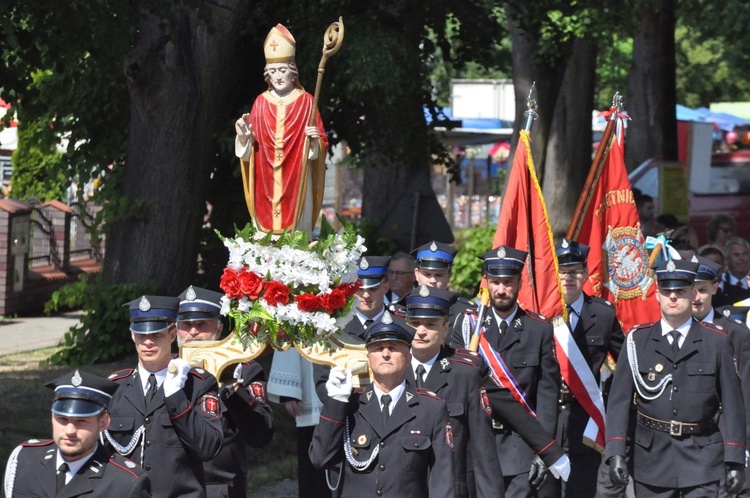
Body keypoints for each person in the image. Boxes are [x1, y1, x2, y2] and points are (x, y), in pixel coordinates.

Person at [605, 259, 746, 497]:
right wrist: (616, 451)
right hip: (651, 460)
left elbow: (733, 405)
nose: (672, 297)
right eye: (666, 291)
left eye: (680, 291)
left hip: (702, 459)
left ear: (692, 294)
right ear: (657, 295)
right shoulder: (638, 340)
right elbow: (618, 403)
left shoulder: (717, 341)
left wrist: (735, 460)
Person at [309, 310, 455, 496]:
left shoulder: (431, 408)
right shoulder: (350, 405)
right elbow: (320, 459)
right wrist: (335, 401)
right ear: (368, 358)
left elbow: (443, 478)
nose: (386, 354)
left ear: (409, 357)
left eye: (394, 348)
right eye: (378, 348)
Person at [105, 295, 223, 498]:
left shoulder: (197, 384)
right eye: (141, 335)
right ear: (133, 335)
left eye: (156, 335)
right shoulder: (114, 387)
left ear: (172, 334)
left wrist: (176, 395)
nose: (148, 342)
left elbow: (208, 447)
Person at [472, 246, 561, 498]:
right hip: (478, 444)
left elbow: (547, 395)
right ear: (486, 282)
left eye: (508, 282)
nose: (501, 290)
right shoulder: (468, 326)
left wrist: (542, 450)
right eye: (496, 282)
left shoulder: (539, 329)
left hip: (520, 445)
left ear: (519, 283)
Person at [403, 284, 504, 497]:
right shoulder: (389, 371)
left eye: (430, 324)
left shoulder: (464, 374)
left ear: (446, 328)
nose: (420, 331)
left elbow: (483, 451)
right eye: (414, 323)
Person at [176, 286, 274, 498]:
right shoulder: (164, 370)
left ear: (218, 328)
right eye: (186, 325)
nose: (193, 332)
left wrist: (231, 388)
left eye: (202, 324)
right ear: (175, 329)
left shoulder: (242, 369)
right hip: (173, 485)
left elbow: (261, 434)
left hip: (220, 486)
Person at [234, 24, 328, 235]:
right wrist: (244, 138)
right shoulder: (261, 102)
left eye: (283, 70)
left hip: (296, 179)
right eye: (273, 71)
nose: (277, 77)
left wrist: (314, 142)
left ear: (293, 72)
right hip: (265, 181)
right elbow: (251, 149)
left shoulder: (306, 102)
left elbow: (321, 144)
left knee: (297, 234)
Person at [3, 370, 151, 498]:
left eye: (81, 421)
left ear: (103, 423)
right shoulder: (25, 460)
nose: (70, 431)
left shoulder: (125, 483)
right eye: (62, 419)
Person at [554, 238, 624, 498]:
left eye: (574, 271)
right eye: (561, 271)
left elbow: (625, 365)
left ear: (585, 274)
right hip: (547, 418)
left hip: (586, 419)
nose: (567, 278)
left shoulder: (603, 314)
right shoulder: (539, 312)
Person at [688, 257, 750, 498]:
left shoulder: (735, 333)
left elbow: (745, 394)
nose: (696, 297)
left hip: (725, 440)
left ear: (715, 288)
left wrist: (742, 447)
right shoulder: (668, 332)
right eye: (689, 290)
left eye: (702, 290)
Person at [716, 237, 750, 307]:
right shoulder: (720, 282)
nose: (742, 258)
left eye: (745, 254)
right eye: (736, 255)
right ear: (726, 260)